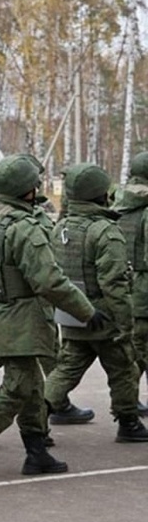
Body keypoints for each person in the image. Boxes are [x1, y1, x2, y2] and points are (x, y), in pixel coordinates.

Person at [0, 155, 102, 486]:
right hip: (25, 320)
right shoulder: (25, 229)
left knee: (32, 387)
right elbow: (49, 281)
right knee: (17, 388)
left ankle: (36, 451)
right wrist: (88, 312)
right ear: (27, 190)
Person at [43, 164, 148, 442]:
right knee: (123, 369)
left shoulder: (62, 226)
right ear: (102, 194)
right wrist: (125, 324)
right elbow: (114, 284)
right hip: (104, 316)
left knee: (67, 367)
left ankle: (37, 417)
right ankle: (128, 423)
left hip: (74, 312)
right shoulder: (104, 231)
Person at [115, 152, 148, 413]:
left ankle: (128, 405)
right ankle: (126, 407)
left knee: (135, 352)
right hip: (145, 292)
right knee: (139, 353)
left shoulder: (118, 205)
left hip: (124, 289)